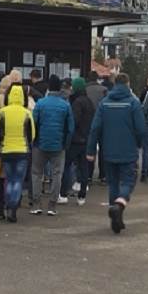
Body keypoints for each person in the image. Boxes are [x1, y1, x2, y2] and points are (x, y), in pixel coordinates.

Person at [86, 73, 145, 234]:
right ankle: (119, 205)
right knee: (128, 181)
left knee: (112, 183)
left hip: (108, 150)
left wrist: (91, 150)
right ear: (128, 84)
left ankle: (115, 216)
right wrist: (139, 144)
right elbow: (140, 128)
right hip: (128, 150)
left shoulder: (104, 103)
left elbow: (95, 128)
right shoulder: (133, 103)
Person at [29, 74, 74, 216]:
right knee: (57, 174)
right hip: (58, 146)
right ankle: (52, 206)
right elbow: (70, 128)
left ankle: (36, 204)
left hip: (40, 145)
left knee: (36, 174)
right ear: (60, 88)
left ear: (48, 87)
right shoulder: (65, 105)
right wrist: (65, 144)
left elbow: (33, 124)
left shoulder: (40, 104)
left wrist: (34, 141)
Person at [0, 82, 35, 223]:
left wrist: (1, 144)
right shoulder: (27, 113)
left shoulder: (2, 112)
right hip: (22, 151)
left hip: (6, 150)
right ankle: (13, 207)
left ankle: (8, 204)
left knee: (9, 179)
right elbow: (32, 134)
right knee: (18, 180)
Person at [63, 77, 96, 205]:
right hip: (86, 138)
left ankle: (63, 193)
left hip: (76, 140)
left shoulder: (76, 103)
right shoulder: (89, 102)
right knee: (84, 167)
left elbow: (74, 121)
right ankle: (82, 195)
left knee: (66, 165)